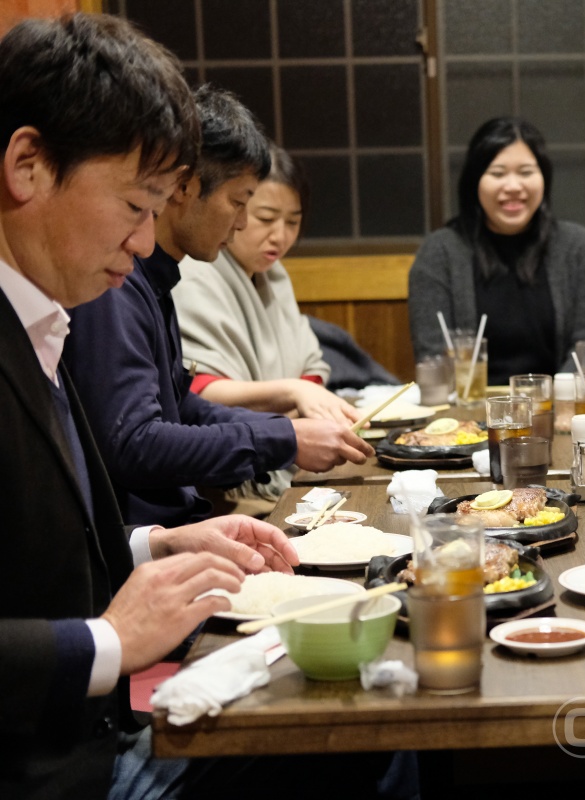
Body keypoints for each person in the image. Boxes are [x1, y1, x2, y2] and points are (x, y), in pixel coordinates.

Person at [0, 14, 301, 796]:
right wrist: (109, 640)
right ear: (28, 165)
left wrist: (158, 548)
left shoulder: (43, 317)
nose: (143, 242)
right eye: (136, 205)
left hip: (96, 737)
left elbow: (36, 554)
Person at [65, 86, 373, 528]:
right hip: (148, 541)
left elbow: (182, 404)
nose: (244, 222)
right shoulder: (118, 281)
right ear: (185, 187)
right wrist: (280, 438)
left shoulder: (158, 278)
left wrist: (285, 434)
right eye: (239, 202)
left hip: (181, 523)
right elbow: (133, 443)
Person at [172, 143, 361, 510]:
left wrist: (301, 399)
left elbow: (311, 365)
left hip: (287, 456)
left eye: (292, 221)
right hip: (231, 487)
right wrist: (291, 396)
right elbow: (197, 393)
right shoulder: (193, 275)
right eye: (265, 217)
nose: (281, 235)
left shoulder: (273, 275)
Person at [408, 116, 585, 382]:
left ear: (544, 178)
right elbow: (434, 358)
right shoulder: (440, 253)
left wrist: (549, 404)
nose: (514, 187)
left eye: (526, 172)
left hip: (556, 410)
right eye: (497, 173)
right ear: (474, 181)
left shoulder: (579, 249)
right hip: (468, 414)